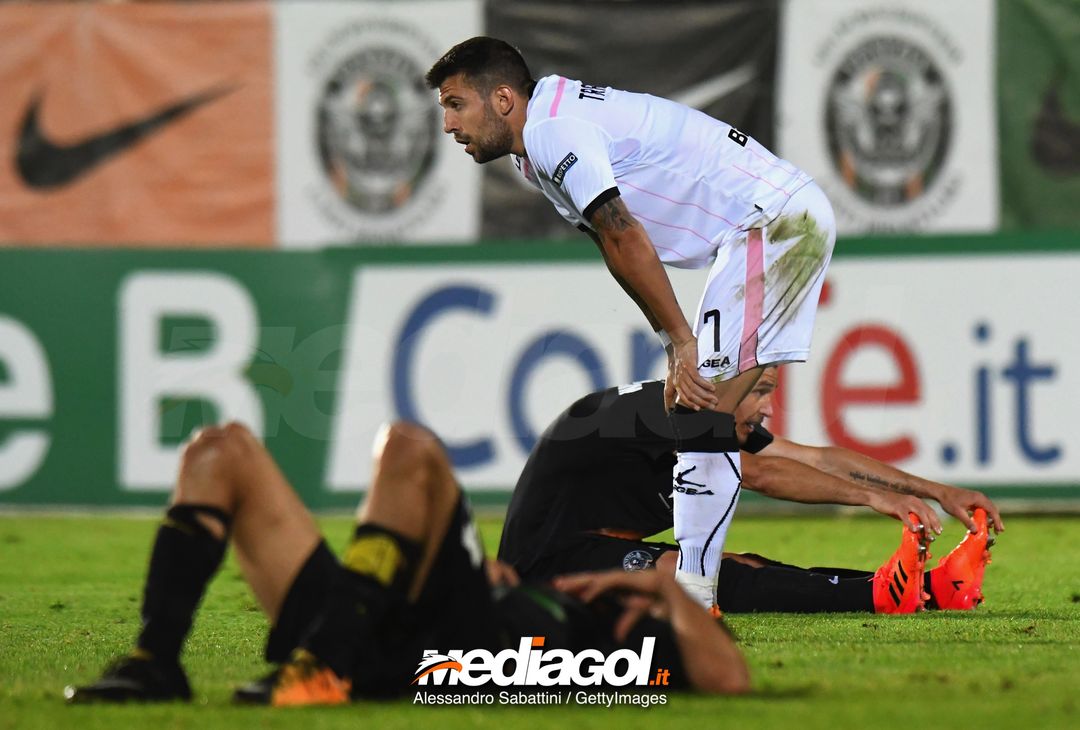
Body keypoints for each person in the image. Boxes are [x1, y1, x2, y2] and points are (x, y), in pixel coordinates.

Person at [427, 37, 836, 610]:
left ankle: (695, 594)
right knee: (700, 417)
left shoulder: (551, 132)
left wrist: (680, 342)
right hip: (762, 227)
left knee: (702, 415)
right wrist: (675, 340)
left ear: (500, 99)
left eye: (454, 104)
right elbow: (614, 244)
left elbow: (625, 234)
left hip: (773, 222)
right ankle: (697, 590)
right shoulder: (533, 150)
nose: (447, 124)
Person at [65, 421, 749, 706]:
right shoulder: (565, 599)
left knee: (411, 450)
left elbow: (731, 678)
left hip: (443, 637)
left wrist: (662, 596)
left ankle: (326, 665)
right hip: (371, 613)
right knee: (220, 451)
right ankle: (157, 662)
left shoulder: (629, 640)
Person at [497, 367, 1001, 614]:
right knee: (696, 576)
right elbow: (759, 474)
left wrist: (938, 491)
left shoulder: (701, 407)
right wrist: (876, 499)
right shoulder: (672, 413)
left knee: (739, 565)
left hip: (601, 546)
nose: (766, 408)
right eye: (760, 392)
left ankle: (931, 590)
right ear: (724, 386)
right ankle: (877, 596)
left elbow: (811, 457)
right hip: (543, 572)